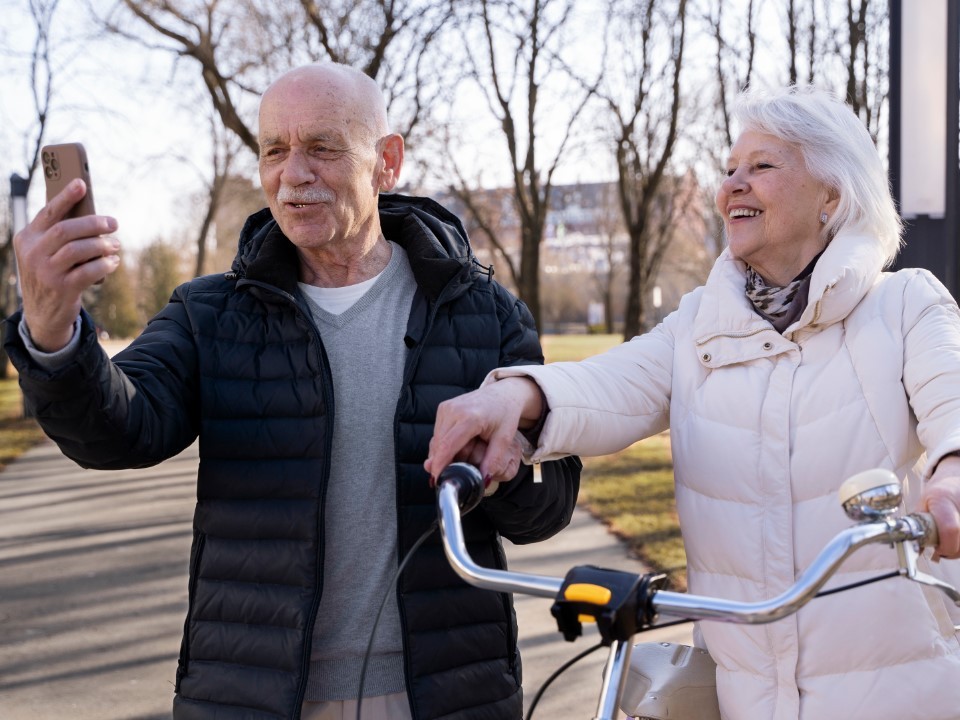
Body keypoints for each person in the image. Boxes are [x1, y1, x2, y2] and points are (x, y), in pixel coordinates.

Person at [3, 62, 581, 720]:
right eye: (274, 149)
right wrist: (52, 331)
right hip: (253, 695)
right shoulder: (208, 314)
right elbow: (116, 431)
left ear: (386, 163)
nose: (293, 173)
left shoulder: (485, 313)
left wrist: (509, 470)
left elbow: (550, 504)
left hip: (446, 694)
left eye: (322, 147)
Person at [425, 85, 960, 720]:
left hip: (901, 690)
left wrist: (952, 473)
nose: (733, 184)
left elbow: (950, 393)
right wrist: (518, 394)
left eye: (761, 166)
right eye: (729, 170)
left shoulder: (902, 307)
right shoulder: (701, 324)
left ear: (833, 197)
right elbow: (615, 383)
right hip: (745, 694)